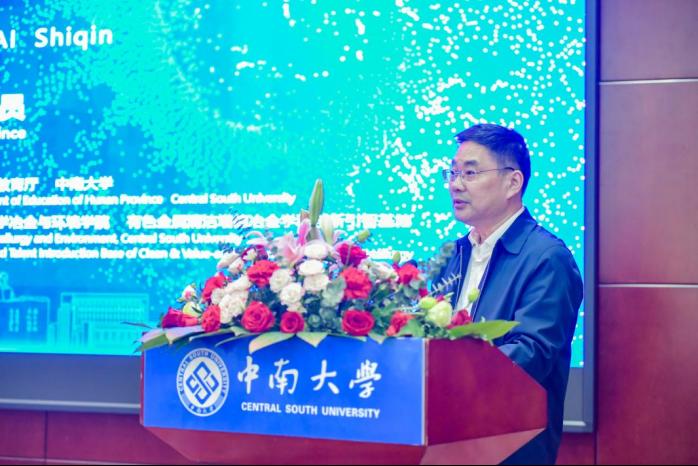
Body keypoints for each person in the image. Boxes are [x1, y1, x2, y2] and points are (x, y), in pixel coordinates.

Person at [432, 123, 583, 464]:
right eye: (453, 173)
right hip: (446, 445)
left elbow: (532, 353)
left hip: (508, 450)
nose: (455, 184)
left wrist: (450, 376)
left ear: (513, 182)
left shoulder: (547, 258)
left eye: (470, 173)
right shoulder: (452, 254)